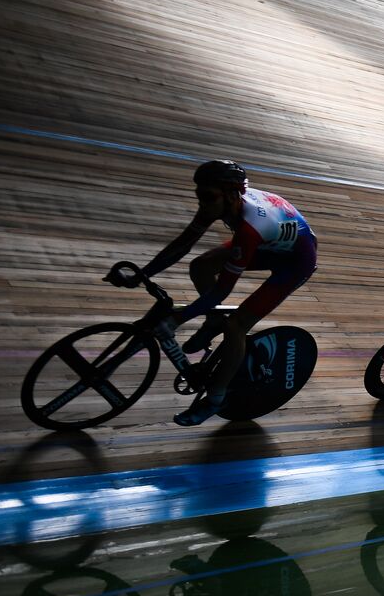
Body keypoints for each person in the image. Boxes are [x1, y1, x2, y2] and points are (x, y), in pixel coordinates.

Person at [106, 160, 318, 427]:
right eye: (199, 195)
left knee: (236, 326)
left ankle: (216, 398)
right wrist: (142, 275)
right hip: (274, 242)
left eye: (207, 197)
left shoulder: (249, 229)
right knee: (201, 265)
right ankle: (212, 322)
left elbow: (222, 291)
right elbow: (181, 246)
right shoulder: (219, 203)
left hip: (296, 261)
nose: (202, 204)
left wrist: (177, 319)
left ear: (231, 196)